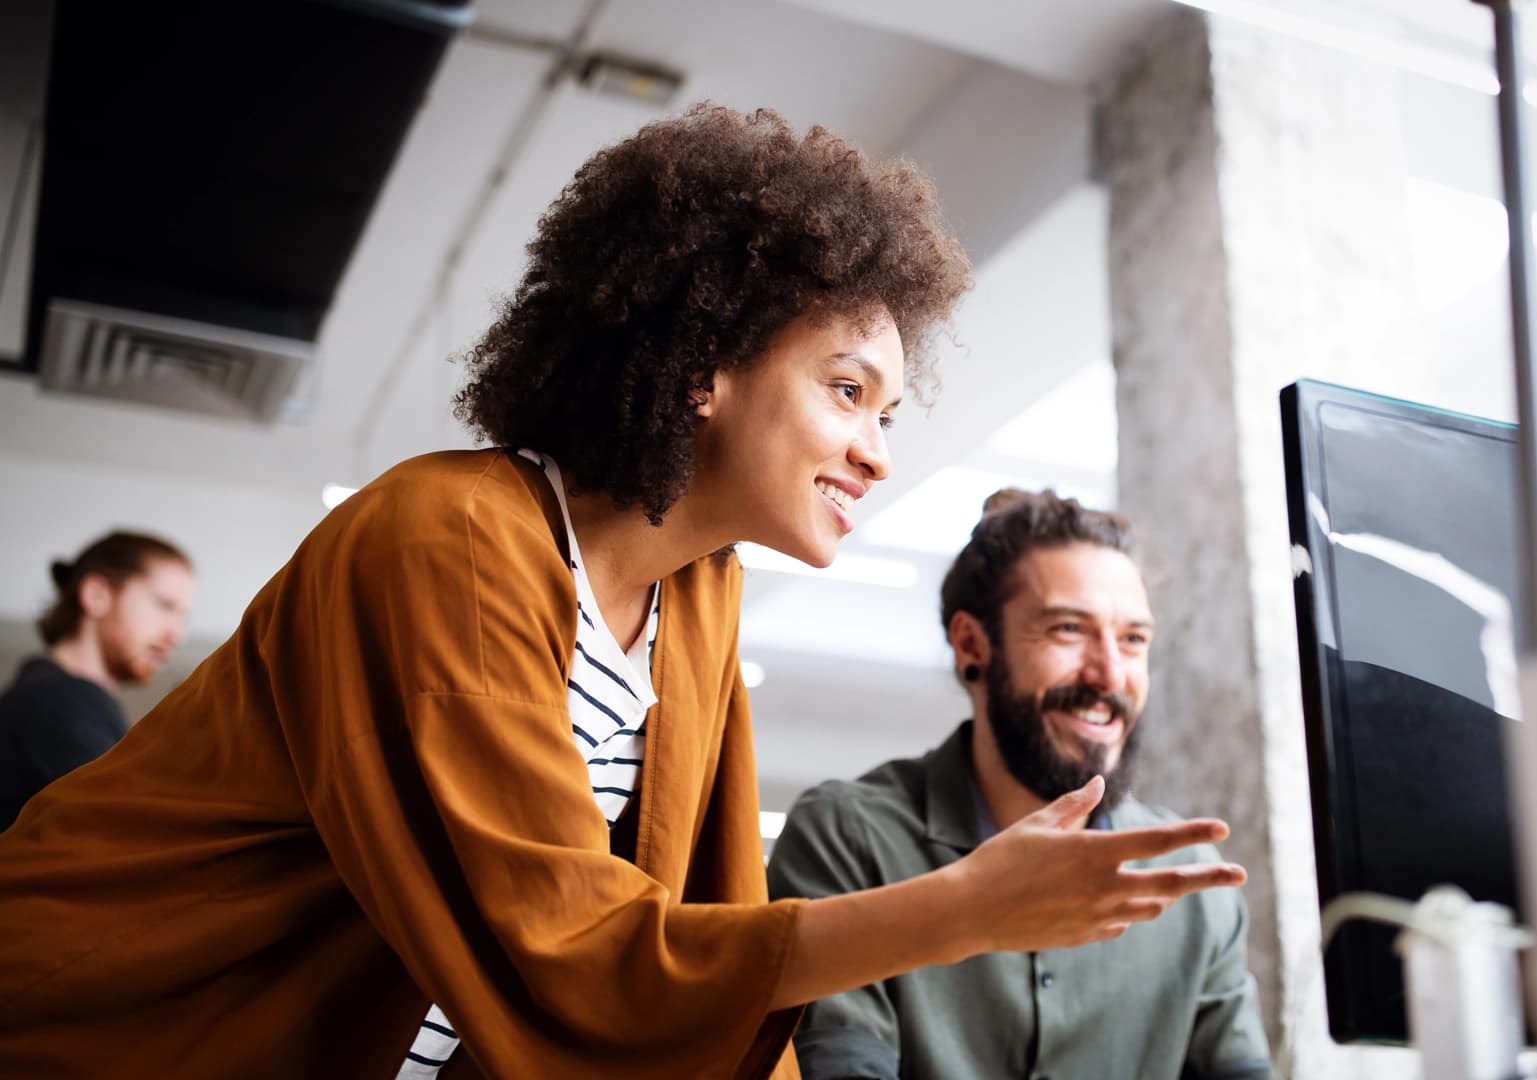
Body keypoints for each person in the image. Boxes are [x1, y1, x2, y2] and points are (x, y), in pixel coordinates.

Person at [0, 104, 1247, 1079]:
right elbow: (568, 952)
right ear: (705, 367)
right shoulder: (448, 541)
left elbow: (692, 919)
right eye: (847, 389)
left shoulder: (697, 601)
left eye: (887, 408)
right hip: (95, 1033)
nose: (878, 447)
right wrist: (959, 911)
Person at [769, 489, 1274, 1079]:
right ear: (971, 645)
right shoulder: (848, 838)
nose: (1110, 674)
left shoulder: (1191, 882)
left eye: (1134, 639)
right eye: (1067, 630)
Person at [0, 530, 193, 830]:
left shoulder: (63, 699)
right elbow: (120, 840)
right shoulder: (59, 704)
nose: (176, 635)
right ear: (96, 595)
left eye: (183, 617)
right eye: (164, 605)